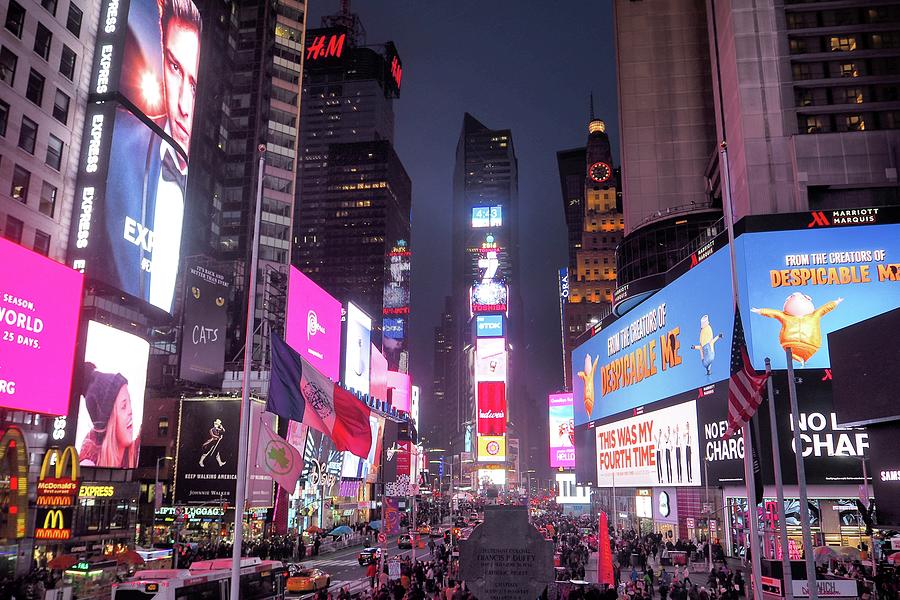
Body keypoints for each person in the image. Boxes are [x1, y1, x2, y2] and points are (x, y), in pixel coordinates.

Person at [102, 0, 201, 313]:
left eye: (195, 85)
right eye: (174, 68)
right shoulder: (117, 139)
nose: (184, 105)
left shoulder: (202, 200)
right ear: (161, 55)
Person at [79, 363, 139, 468]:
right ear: (108, 419)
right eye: (124, 406)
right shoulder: (88, 465)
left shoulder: (134, 454)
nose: (131, 412)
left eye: (130, 403)